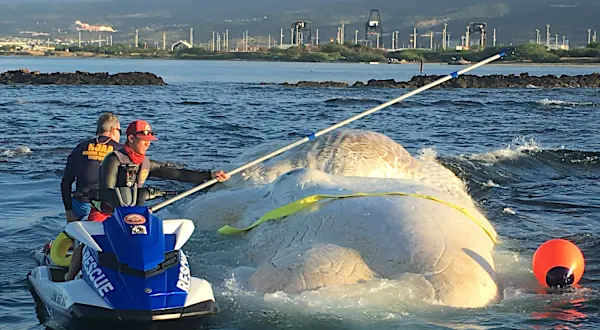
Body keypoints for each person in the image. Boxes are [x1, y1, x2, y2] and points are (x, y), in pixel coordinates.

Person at [65, 119, 229, 280]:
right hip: (105, 213)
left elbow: (178, 174)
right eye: (144, 140)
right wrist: (141, 195)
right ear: (131, 139)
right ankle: (69, 277)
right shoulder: (113, 160)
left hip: (134, 216)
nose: (148, 144)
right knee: (87, 242)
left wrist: (209, 175)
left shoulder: (145, 163)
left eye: (149, 141)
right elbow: (108, 193)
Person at [60, 112, 122, 222]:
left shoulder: (80, 148)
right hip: (107, 207)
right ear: (113, 131)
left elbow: (66, 182)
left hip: (81, 203)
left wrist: (68, 211)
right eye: (120, 131)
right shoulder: (120, 151)